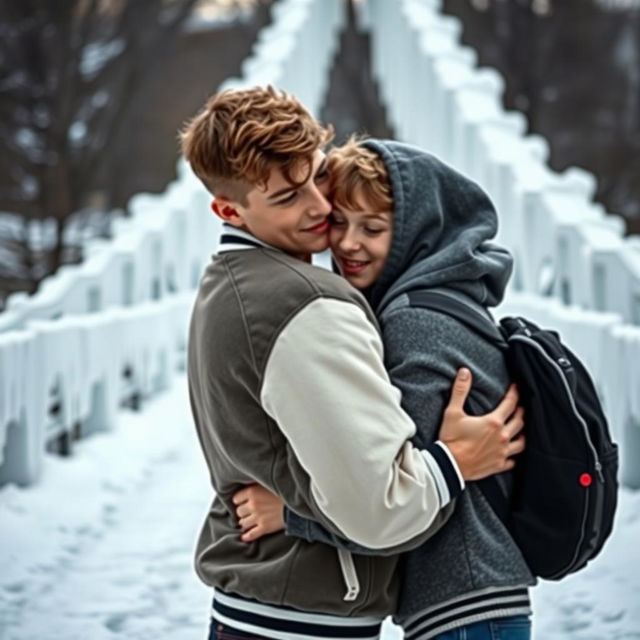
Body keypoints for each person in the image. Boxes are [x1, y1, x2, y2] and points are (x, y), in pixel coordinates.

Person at [180, 87, 525, 640]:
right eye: (288, 197)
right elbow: (381, 510)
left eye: (318, 175)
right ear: (228, 209)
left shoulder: (226, 286)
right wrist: (457, 459)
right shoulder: (308, 303)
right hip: (299, 618)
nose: (320, 208)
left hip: (259, 608)